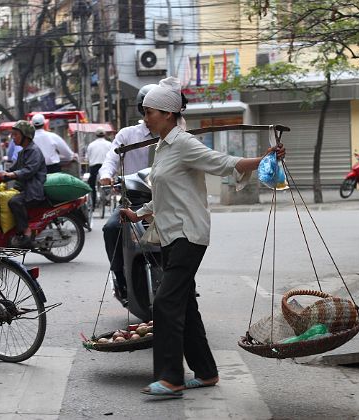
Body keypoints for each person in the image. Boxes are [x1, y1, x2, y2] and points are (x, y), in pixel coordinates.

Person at [120, 77, 286, 398]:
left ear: (168, 114)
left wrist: (264, 159)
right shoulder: (163, 146)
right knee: (184, 306)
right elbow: (167, 192)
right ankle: (206, 372)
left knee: (166, 303)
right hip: (171, 235)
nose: (145, 118)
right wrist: (139, 213)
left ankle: (170, 379)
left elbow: (222, 163)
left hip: (188, 234)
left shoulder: (183, 142)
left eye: (150, 112)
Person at [98, 84, 157, 305]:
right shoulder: (128, 134)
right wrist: (105, 175)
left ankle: (187, 282)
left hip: (164, 201)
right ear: (143, 111)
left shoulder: (171, 136)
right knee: (111, 229)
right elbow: (111, 160)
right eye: (149, 110)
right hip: (132, 200)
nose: (154, 115)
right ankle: (120, 277)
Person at [0, 120, 47, 248]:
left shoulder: (34, 151)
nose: (13, 138)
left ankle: (26, 232)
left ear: (26, 136)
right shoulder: (23, 152)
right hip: (25, 188)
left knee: (14, 202)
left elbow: (29, 170)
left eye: (15, 135)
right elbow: (12, 169)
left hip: (33, 190)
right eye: (12, 135)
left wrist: (11, 175)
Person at [85, 127, 112, 209]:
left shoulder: (91, 145)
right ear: (105, 135)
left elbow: (87, 158)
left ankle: (93, 204)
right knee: (109, 182)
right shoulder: (109, 144)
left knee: (91, 184)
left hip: (94, 167)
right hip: (106, 166)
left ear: (95, 135)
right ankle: (107, 197)